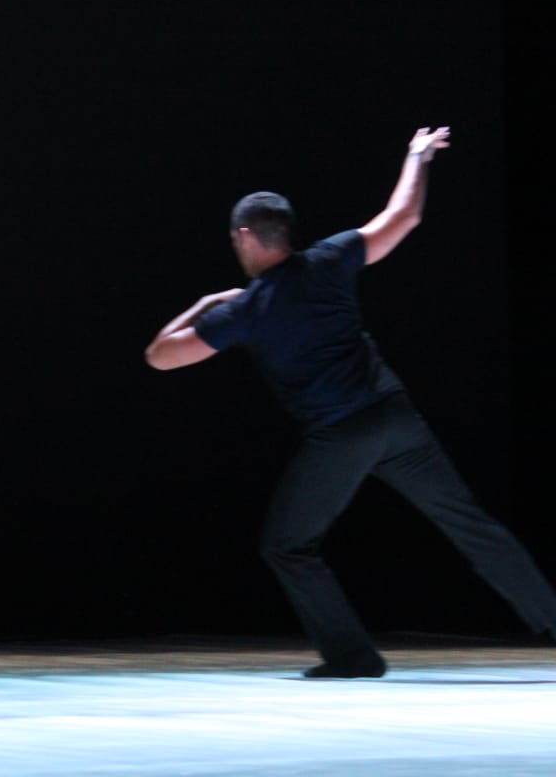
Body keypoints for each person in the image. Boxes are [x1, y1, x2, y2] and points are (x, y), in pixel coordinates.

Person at [144, 127, 556, 678]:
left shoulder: (245, 310)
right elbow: (403, 216)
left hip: (343, 434)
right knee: (470, 525)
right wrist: (417, 156)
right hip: (396, 418)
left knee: (287, 547)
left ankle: (353, 655)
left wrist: (204, 303)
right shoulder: (329, 258)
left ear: (245, 236)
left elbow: (160, 357)